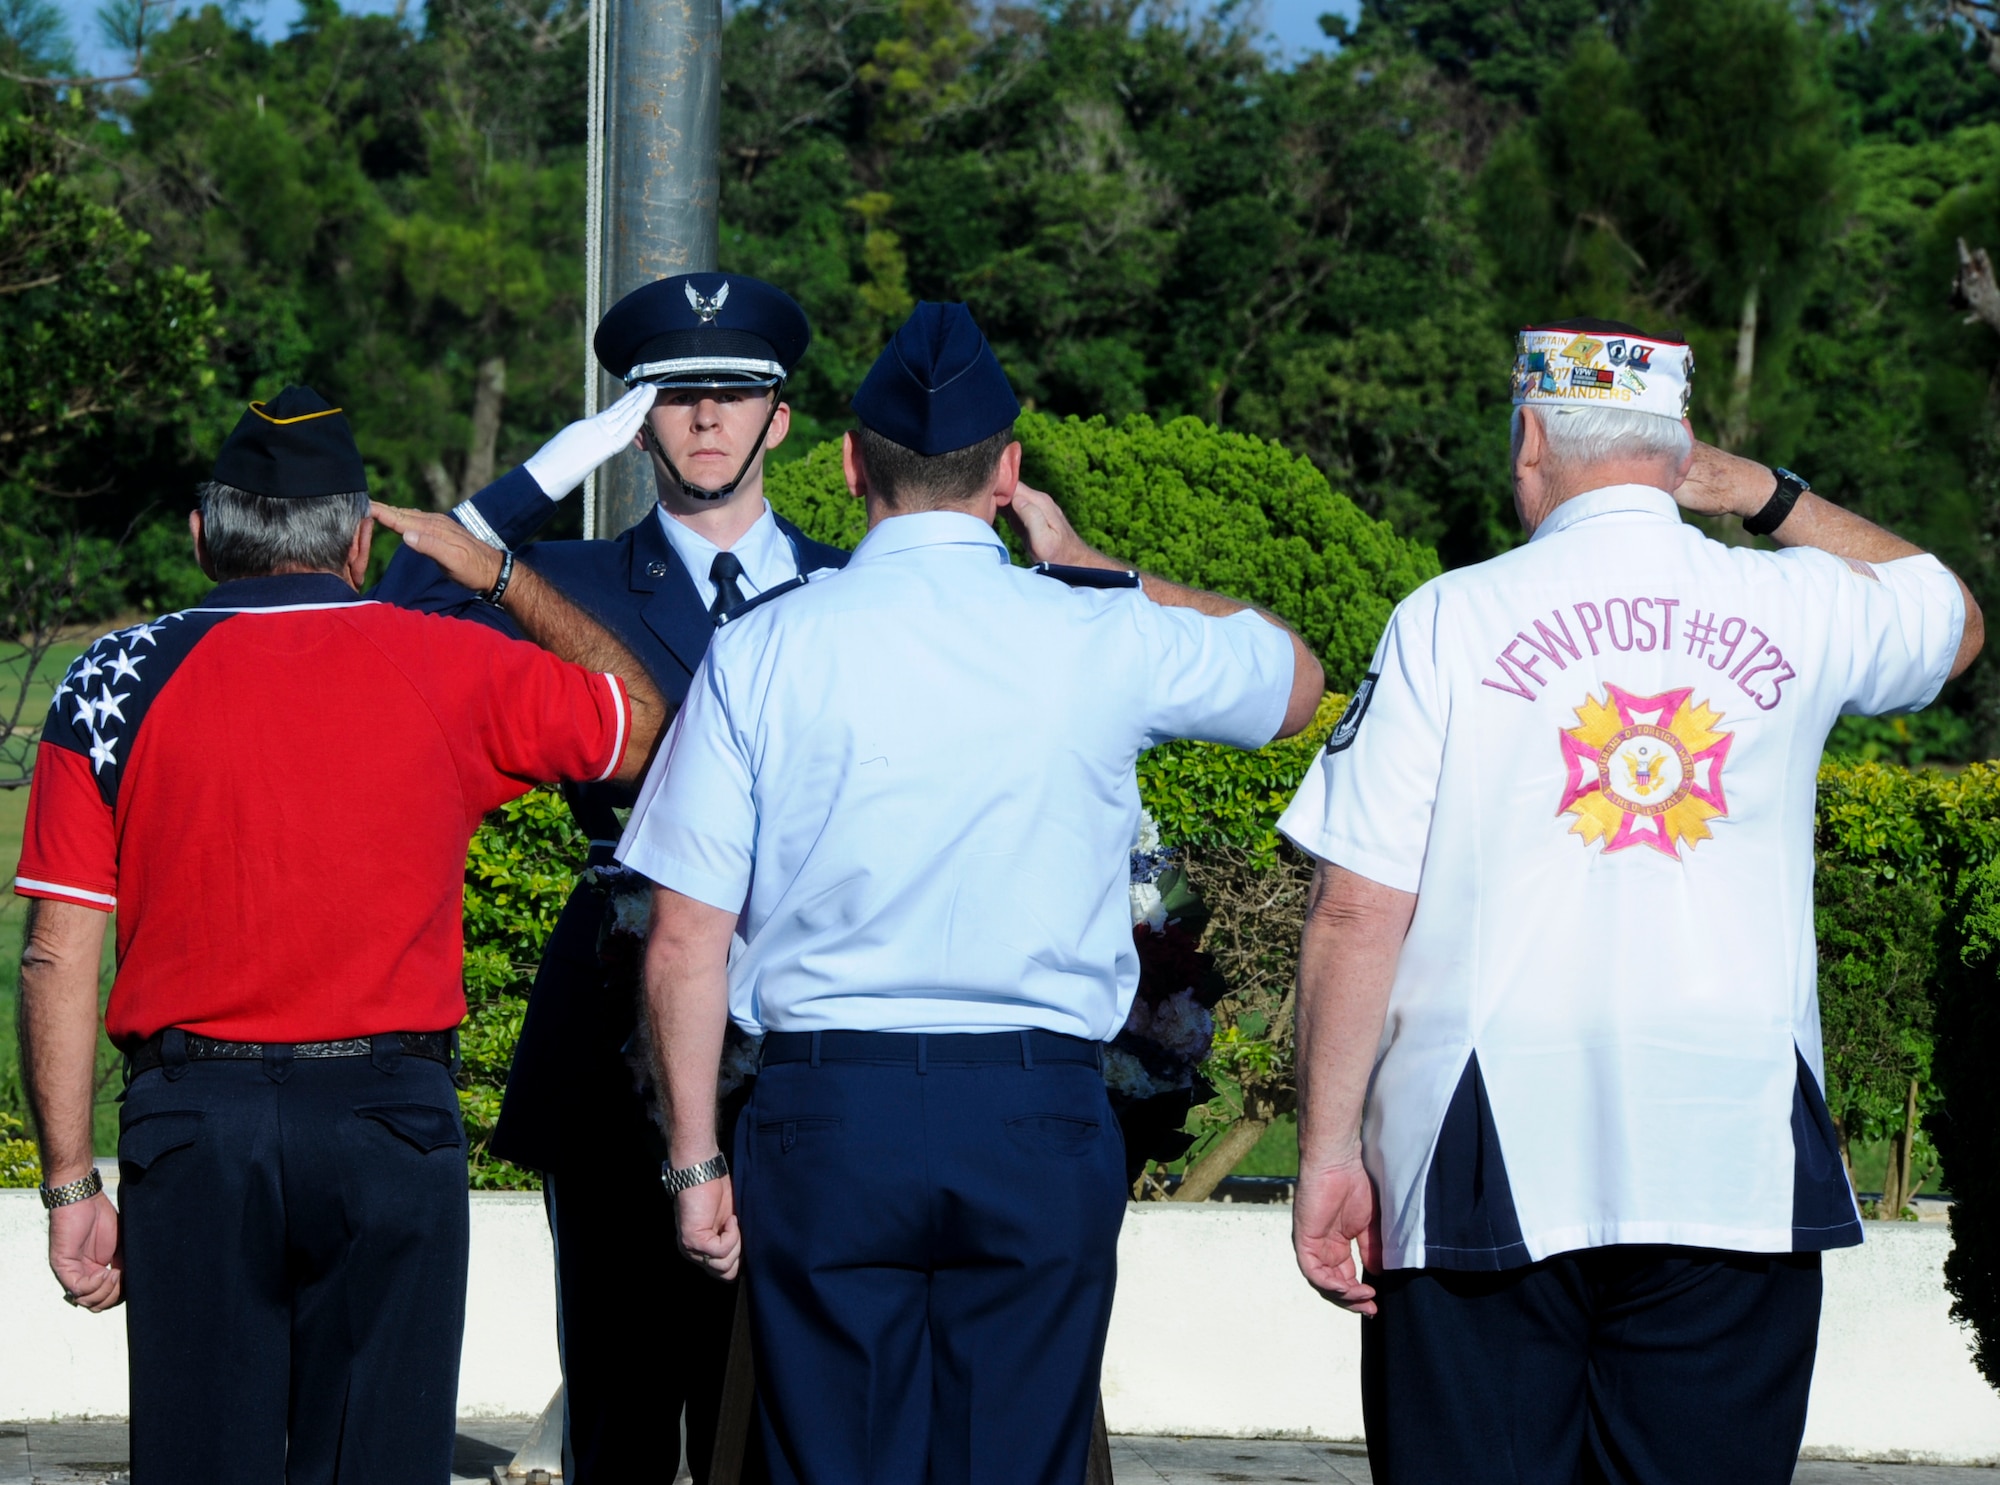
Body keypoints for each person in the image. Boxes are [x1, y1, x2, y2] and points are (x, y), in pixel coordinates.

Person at [619, 300, 1326, 1485]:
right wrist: (1105, 575)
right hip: (1032, 1111)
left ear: (849, 466)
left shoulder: (765, 648)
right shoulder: (1098, 632)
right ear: (1006, 472)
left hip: (829, 1112)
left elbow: (685, 942)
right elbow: (1295, 679)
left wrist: (695, 1164)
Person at [1278, 319, 1986, 1485]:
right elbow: (1951, 621)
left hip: (1479, 1137)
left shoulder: (1447, 618)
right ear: (1681, 450)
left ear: (1526, 442)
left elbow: (1356, 910)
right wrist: (1764, 494)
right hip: (1730, 1137)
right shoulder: (1801, 605)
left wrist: (1325, 1152)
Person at [12, 386, 671, 1485]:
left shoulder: (108, 684)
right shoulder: (449, 664)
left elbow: (57, 950)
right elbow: (640, 726)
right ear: (362, 540)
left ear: (202, 534)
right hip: (386, 1129)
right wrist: (496, 571)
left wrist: (72, 1184)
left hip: (195, 1129)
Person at [370, 271, 846, 1484]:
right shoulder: (570, 581)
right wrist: (544, 475)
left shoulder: (855, 586)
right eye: (671, 397)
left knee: (780, 1413)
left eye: (731, 396)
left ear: (777, 420)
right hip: (617, 1007)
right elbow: (399, 606)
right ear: (637, 423)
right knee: (624, 1407)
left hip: (804, 1009)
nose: (702, 420)